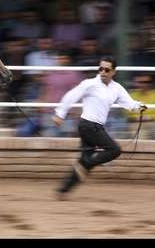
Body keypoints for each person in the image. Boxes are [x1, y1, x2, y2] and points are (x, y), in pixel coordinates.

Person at [52, 56, 148, 200]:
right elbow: (71, 96)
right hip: (88, 126)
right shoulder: (89, 84)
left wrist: (139, 106)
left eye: (107, 69)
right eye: (100, 68)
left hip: (95, 126)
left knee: (85, 160)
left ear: (113, 72)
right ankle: (85, 164)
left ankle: (63, 190)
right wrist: (60, 114)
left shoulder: (116, 88)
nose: (103, 71)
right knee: (115, 150)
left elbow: (128, 102)